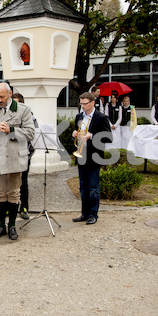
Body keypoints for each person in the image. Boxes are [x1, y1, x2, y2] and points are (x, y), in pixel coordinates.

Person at [0, 83, 35, 240]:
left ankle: (12, 226)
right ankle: (1, 225)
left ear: (10, 93)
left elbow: (30, 133)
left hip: (15, 157)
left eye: (2, 97)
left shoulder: (23, 110)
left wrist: (12, 130)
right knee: (0, 193)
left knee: (13, 193)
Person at [72, 91, 112, 225]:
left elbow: (108, 137)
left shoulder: (101, 117)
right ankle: (84, 213)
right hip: (81, 154)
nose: (83, 106)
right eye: (81, 103)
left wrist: (92, 135)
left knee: (93, 187)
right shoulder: (79, 116)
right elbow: (77, 132)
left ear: (92, 103)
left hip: (94, 155)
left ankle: (93, 214)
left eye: (85, 104)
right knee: (83, 187)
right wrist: (75, 133)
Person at [11, 92, 38, 220]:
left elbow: (32, 133)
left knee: (23, 182)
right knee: (10, 182)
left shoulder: (30, 116)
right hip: (11, 152)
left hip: (24, 152)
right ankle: (11, 207)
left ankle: (24, 207)